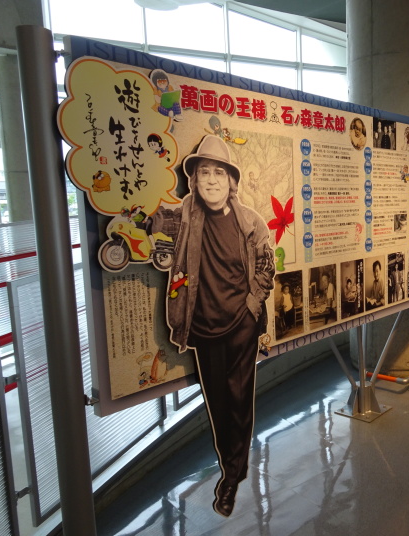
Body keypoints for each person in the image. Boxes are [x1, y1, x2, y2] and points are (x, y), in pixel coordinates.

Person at [166, 135, 275, 518]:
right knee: (217, 402)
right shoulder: (186, 215)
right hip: (202, 327)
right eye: (203, 172)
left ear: (231, 181)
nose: (211, 180)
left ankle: (231, 475)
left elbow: (267, 266)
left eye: (219, 172)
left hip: (242, 325)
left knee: (239, 400)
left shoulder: (249, 222)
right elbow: (156, 224)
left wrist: (251, 306)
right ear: (194, 180)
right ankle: (233, 462)